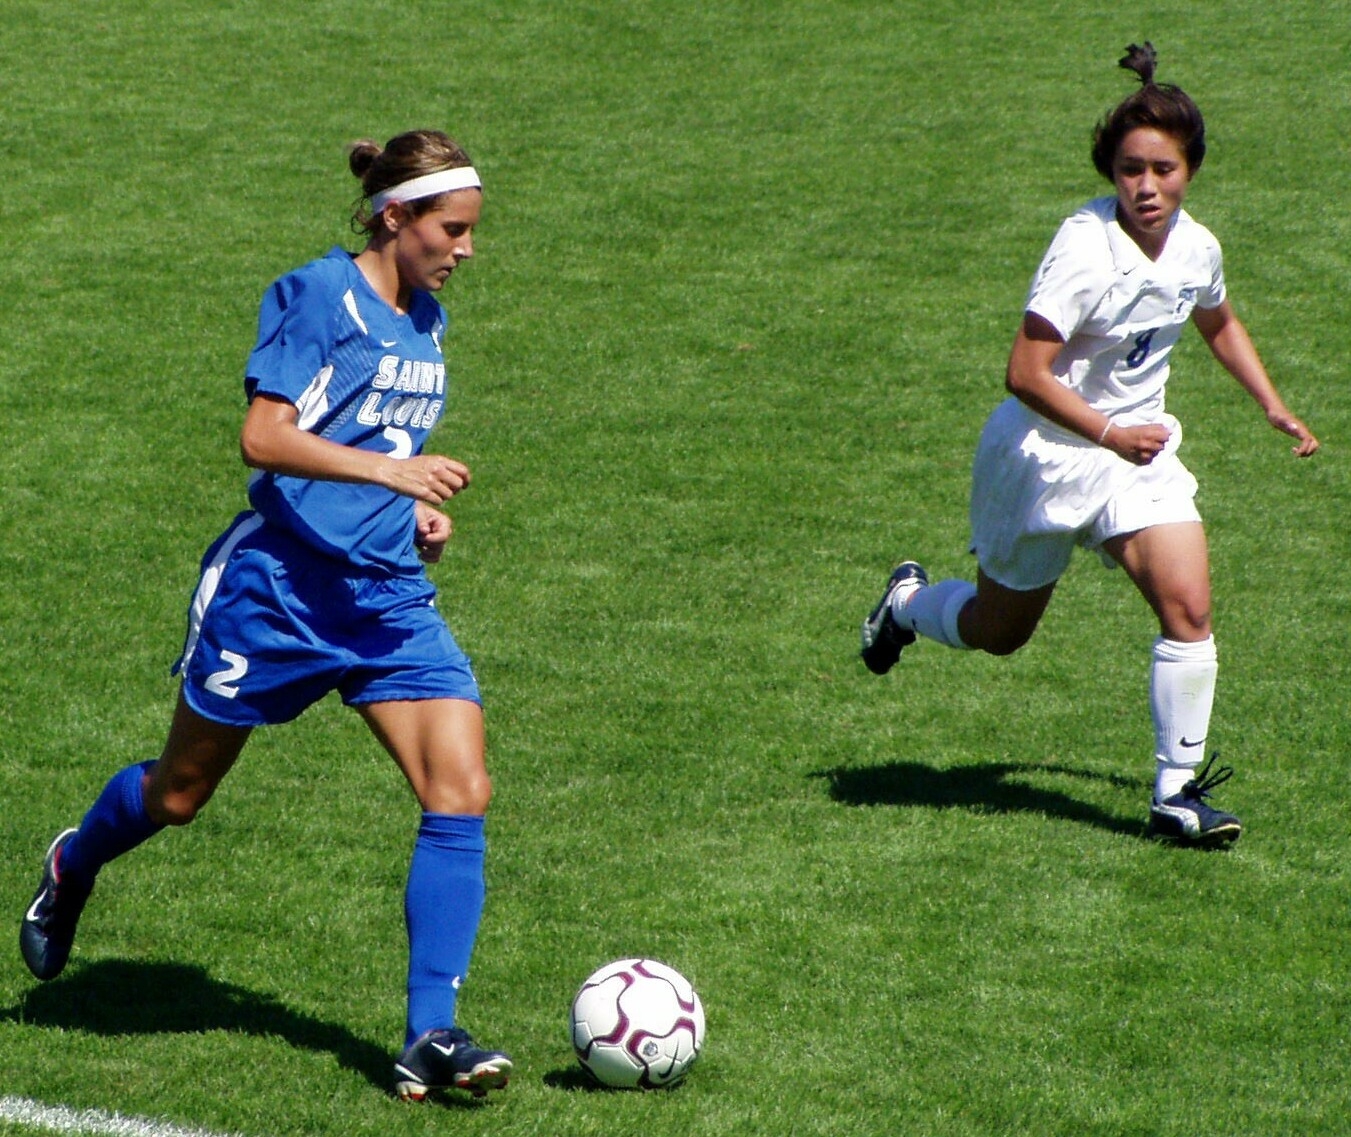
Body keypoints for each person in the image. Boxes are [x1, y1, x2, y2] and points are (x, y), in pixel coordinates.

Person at [20, 129, 512, 1101]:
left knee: (460, 788)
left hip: (382, 599)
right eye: (451, 231)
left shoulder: (426, 320)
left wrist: (410, 506)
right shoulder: (313, 296)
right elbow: (264, 433)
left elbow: (380, 433)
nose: (465, 250)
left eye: (469, 233)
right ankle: (75, 861)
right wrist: (388, 471)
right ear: (395, 216)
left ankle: (430, 1034)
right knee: (178, 798)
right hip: (277, 594)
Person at [859, 44, 1319, 845]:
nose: (1145, 186)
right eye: (1130, 169)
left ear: (1190, 170)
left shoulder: (1196, 246)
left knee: (1189, 607)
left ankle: (1176, 794)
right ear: (1110, 169)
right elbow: (1022, 371)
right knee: (999, 633)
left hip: (1135, 458)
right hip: (1040, 458)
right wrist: (1109, 430)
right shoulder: (1082, 248)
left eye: (1163, 170)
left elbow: (1217, 318)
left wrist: (1271, 404)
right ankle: (903, 607)